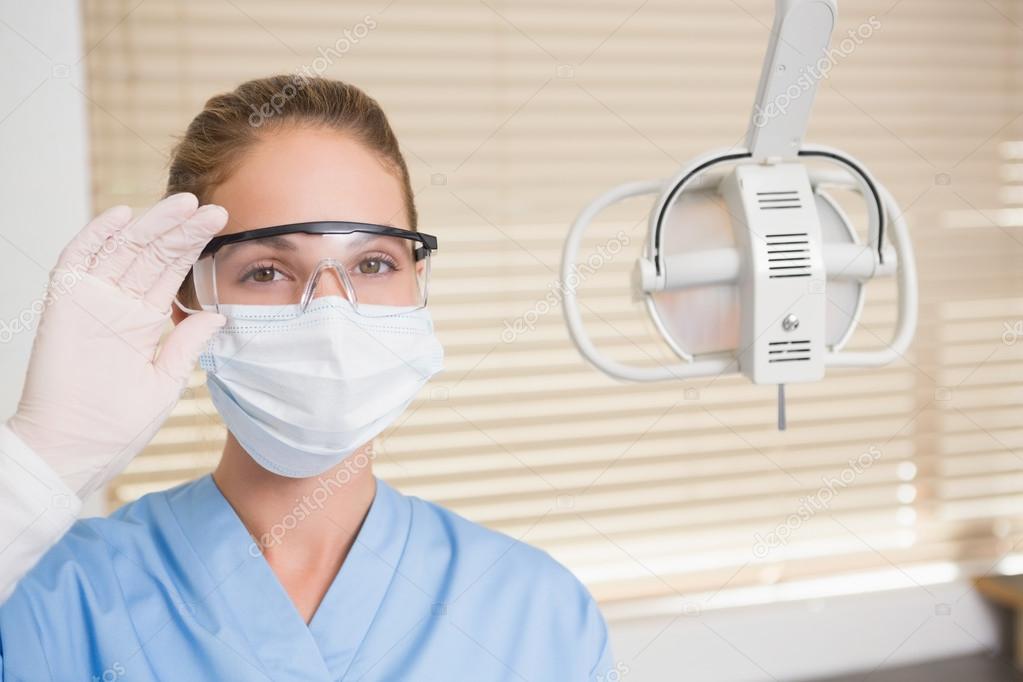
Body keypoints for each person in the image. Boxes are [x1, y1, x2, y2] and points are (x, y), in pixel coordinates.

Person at [0, 75, 612, 681]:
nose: (332, 313)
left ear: (418, 287)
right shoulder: (48, 597)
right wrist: (38, 466)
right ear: (185, 302)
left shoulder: (537, 613)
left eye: (373, 263)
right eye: (267, 271)